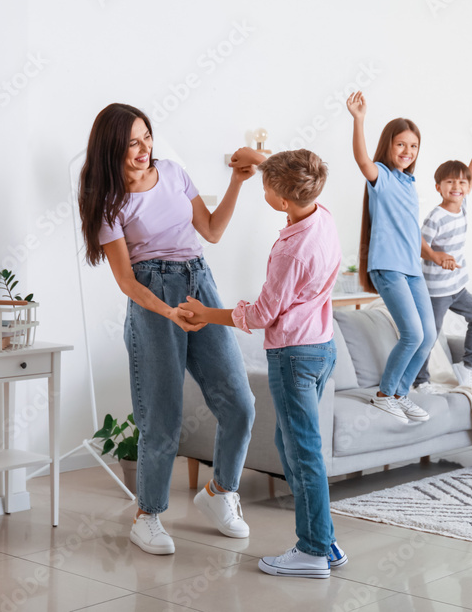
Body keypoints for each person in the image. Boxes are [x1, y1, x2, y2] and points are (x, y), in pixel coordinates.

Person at [78, 102, 256, 554]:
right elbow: (125, 280)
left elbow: (211, 231)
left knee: (240, 401)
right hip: (152, 296)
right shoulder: (109, 201)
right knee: (162, 419)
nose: (144, 149)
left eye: (147, 137)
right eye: (132, 143)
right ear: (111, 149)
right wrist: (166, 311)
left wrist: (235, 182)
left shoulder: (173, 173)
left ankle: (219, 494)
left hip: (200, 283)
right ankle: (148, 515)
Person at [182, 147, 347, 579]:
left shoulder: (293, 250)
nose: (264, 191)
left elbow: (260, 315)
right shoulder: (318, 214)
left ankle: (312, 551)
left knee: (302, 452)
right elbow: (301, 172)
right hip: (321, 348)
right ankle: (324, 542)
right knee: (291, 447)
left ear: (283, 201)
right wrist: (262, 156)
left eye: (267, 187)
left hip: (294, 355)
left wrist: (207, 314)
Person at [347, 90, 436, 425]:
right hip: (388, 267)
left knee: (428, 335)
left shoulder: (409, 183)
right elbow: (362, 161)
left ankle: (400, 394)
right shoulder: (380, 177)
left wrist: (432, 255)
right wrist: (359, 120)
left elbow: (411, 232)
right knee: (412, 333)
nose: (407, 151)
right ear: (388, 145)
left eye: (413, 146)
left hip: (412, 269)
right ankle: (385, 394)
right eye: (401, 144)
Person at [413, 148, 472, 391]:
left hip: (457, 286)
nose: (457, 186)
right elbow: (419, 246)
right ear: (438, 187)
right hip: (436, 290)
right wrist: (436, 257)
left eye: (461, 183)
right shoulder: (436, 217)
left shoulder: (463, 205)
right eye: (449, 182)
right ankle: (421, 380)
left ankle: (467, 367)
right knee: (429, 335)